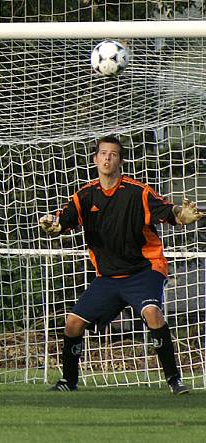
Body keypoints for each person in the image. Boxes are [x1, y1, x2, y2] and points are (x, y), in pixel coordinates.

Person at [39, 135, 202, 394]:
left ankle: (174, 381)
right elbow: (63, 220)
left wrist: (181, 215)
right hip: (108, 277)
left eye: (113, 154)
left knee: (152, 313)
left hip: (144, 270)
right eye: (103, 153)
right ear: (95, 159)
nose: (107, 158)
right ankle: (68, 381)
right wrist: (53, 226)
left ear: (120, 160)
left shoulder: (138, 192)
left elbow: (168, 211)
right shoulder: (85, 195)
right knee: (72, 322)